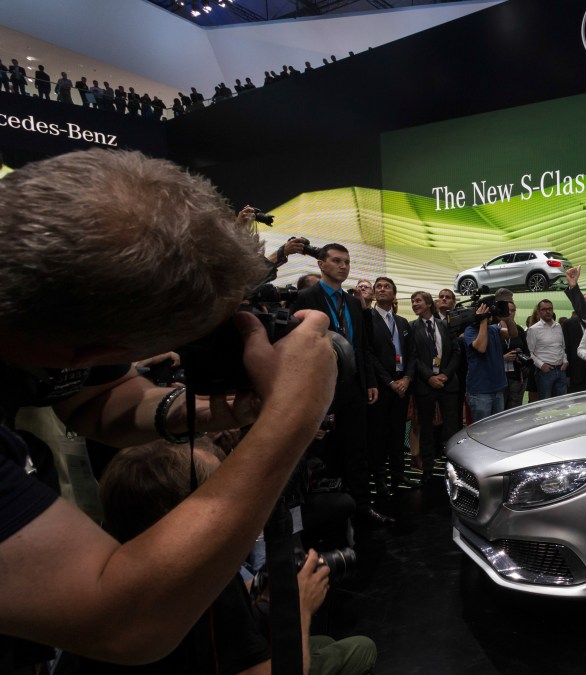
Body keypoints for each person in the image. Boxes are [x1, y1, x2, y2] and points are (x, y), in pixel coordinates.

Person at [0, 149, 336, 664]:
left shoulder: (50, 317)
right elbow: (121, 621)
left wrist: (199, 410)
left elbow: (94, 400)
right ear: (88, 352)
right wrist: (291, 416)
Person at [88, 441, 377, 675]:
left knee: (324, 642)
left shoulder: (116, 573)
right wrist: (299, 608)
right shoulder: (199, 580)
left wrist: (264, 590)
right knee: (362, 649)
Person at [290, 244, 386, 525]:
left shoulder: (353, 303)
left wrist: (369, 381)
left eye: (347, 261)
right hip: (321, 387)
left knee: (357, 449)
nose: (343, 266)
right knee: (325, 452)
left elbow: (362, 346)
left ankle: (362, 508)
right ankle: (331, 513)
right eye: (336, 261)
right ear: (321, 265)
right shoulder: (305, 298)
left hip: (354, 386)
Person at [406, 291, 461, 485]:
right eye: (412, 302)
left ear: (429, 304)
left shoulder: (445, 325)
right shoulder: (411, 327)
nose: (414, 304)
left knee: (452, 429)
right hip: (425, 385)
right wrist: (429, 377)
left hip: (448, 383)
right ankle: (427, 470)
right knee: (426, 430)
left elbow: (456, 352)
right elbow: (413, 357)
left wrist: (445, 374)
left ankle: (456, 469)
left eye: (418, 301)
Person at [366, 276, 412, 494]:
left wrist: (407, 379)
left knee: (398, 432)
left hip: (402, 385)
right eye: (379, 287)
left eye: (387, 287)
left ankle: (398, 472)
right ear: (374, 293)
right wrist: (390, 381)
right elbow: (368, 354)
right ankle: (380, 477)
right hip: (381, 386)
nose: (382, 289)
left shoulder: (402, 322)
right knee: (379, 434)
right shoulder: (367, 319)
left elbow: (412, 354)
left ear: (394, 294)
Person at [525, 299, 569, 398]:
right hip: (545, 372)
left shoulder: (558, 326)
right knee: (546, 403)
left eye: (550, 309)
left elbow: (562, 347)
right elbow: (529, 353)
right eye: (544, 309)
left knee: (562, 403)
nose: (548, 311)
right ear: (539, 311)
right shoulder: (533, 329)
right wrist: (541, 365)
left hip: (561, 370)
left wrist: (565, 361)